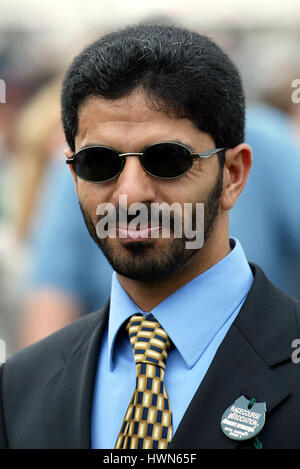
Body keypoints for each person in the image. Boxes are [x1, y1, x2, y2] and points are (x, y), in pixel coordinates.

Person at [0, 23, 299, 450]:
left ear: (232, 174)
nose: (131, 194)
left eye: (168, 159)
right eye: (99, 163)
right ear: (71, 174)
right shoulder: (20, 387)